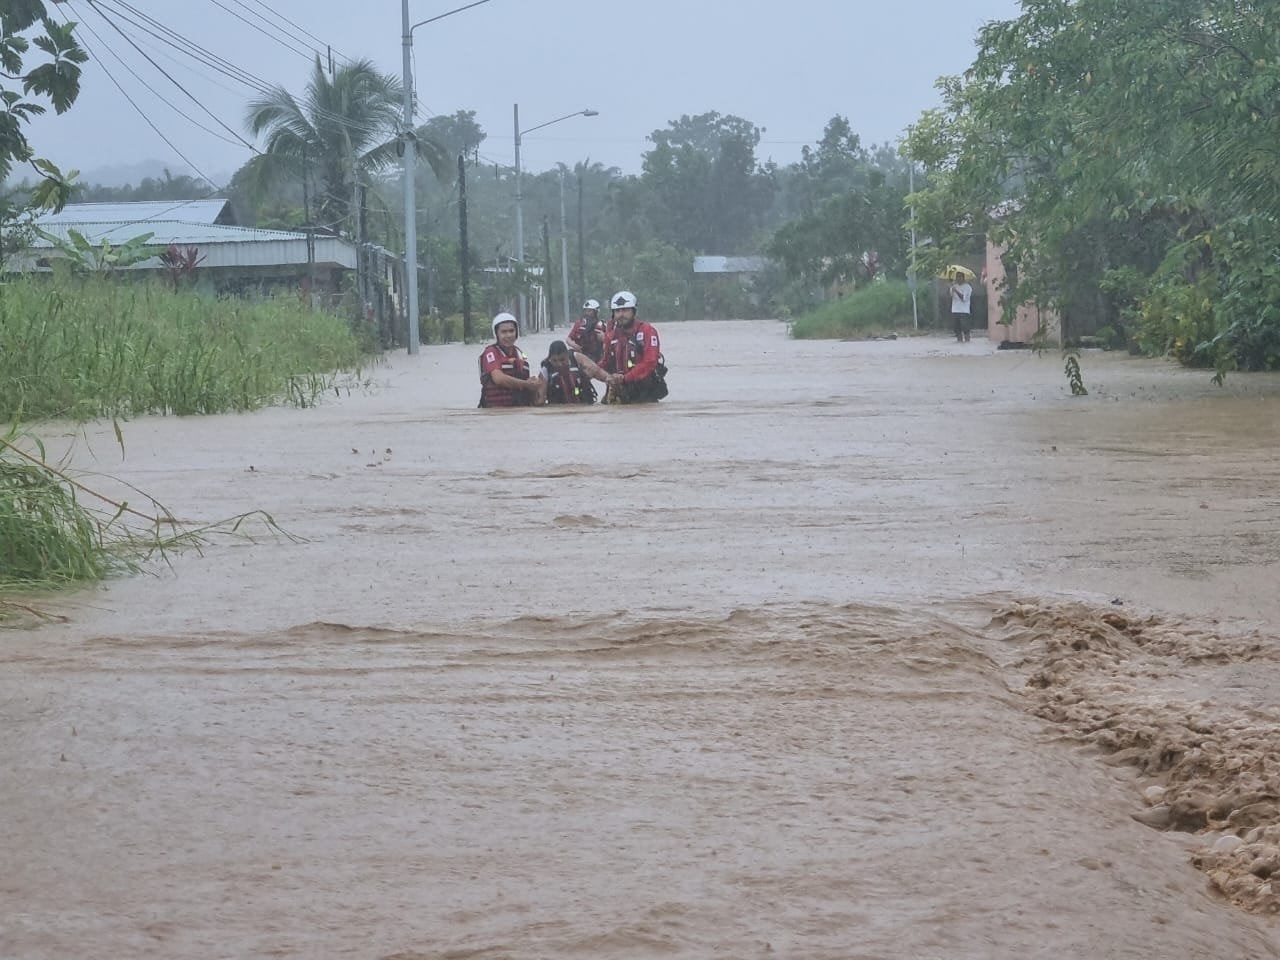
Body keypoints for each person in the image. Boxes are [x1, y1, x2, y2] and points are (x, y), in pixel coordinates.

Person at [601, 290, 668, 404]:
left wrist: (625, 378)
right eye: (617, 311)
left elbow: (650, 362)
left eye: (625, 310)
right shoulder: (611, 335)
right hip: (619, 391)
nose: (621, 314)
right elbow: (606, 361)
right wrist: (589, 370)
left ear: (634, 311)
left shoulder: (647, 331)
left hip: (644, 393)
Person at [478, 312, 542, 408]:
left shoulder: (521, 354)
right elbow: (499, 379)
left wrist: (534, 385)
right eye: (504, 332)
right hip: (495, 412)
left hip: (520, 410)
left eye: (511, 331)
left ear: (516, 332)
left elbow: (527, 383)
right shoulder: (491, 352)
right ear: (496, 334)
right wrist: (526, 384)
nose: (508, 335)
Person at [540, 340, 606, 405]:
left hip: (582, 401)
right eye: (554, 361)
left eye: (562, 360)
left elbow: (600, 373)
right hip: (558, 407)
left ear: (567, 355)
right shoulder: (545, 369)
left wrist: (587, 376)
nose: (559, 364)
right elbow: (541, 400)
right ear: (550, 359)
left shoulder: (575, 357)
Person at [565, 299, 606, 363]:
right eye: (585, 310)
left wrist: (604, 338)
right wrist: (574, 345)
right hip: (580, 354)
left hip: (596, 357)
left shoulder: (601, 325)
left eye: (589, 311)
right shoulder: (579, 323)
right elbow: (568, 339)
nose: (587, 313)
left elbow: (608, 343)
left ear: (596, 312)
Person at [949, 271, 974, 343]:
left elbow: (963, 298)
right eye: (957, 277)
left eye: (960, 277)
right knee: (956, 328)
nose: (958, 278)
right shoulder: (954, 286)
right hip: (955, 310)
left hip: (964, 310)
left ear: (963, 278)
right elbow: (950, 296)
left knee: (965, 328)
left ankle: (967, 341)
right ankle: (959, 341)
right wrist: (951, 288)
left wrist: (956, 291)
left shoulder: (967, 287)